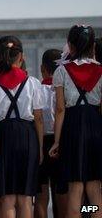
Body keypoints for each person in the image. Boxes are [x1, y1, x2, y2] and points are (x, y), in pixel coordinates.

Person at [0, 36, 43, 218]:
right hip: (27, 135)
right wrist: (39, 147)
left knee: (7, 197)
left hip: (3, 137)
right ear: (21, 57)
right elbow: (39, 118)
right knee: (25, 197)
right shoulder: (33, 83)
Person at [49, 25, 102, 218]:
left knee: (75, 188)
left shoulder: (61, 71)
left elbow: (60, 109)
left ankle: (79, 213)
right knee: (95, 188)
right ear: (92, 46)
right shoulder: (101, 71)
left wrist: (57, 141)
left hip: (72, 128)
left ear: (70, 46)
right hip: (96, 127)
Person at [34, 49, 66, 218]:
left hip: (40, 141)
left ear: (42, 68)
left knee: (41, 195)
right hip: (60, 141)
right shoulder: (63, 89)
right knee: (61, 191)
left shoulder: (36, 89)